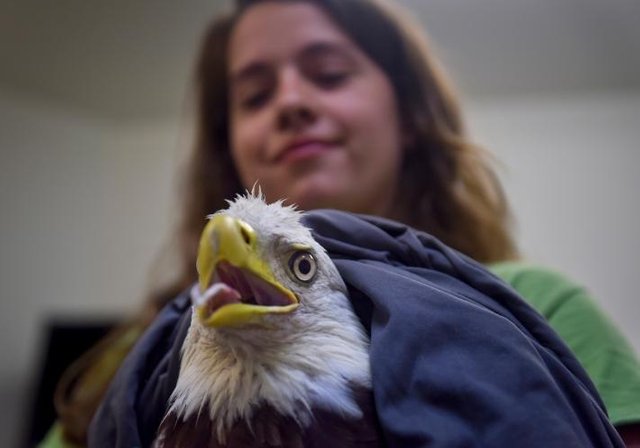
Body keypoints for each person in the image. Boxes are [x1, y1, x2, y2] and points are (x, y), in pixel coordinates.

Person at [41, 0, 640, 446]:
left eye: (328, 74)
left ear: (408, 116)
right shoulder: (132, 355)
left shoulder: (538, 306)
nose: (291, 102)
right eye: (254, 96)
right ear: (233, 148)